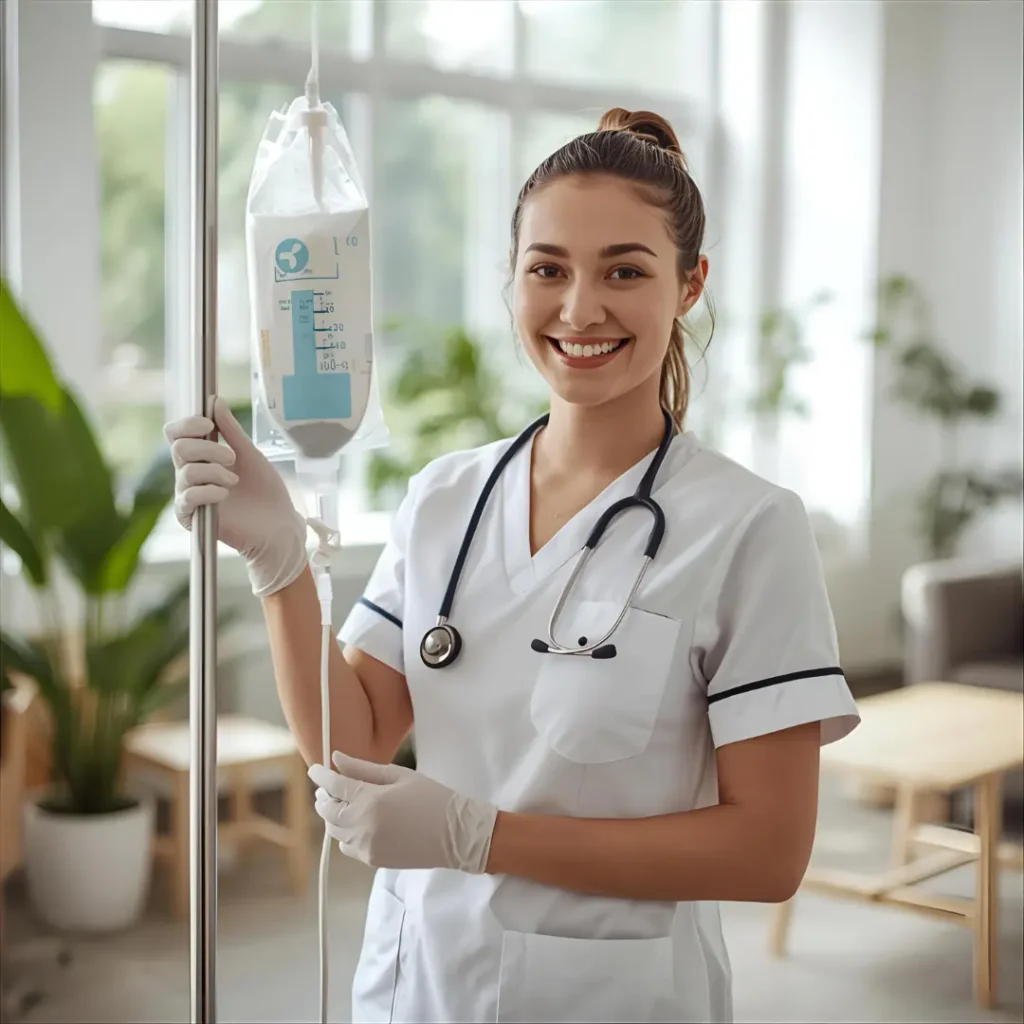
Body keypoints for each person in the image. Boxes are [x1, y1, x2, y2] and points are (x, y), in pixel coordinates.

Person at [166, 107, 860, 1023]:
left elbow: (767, 854)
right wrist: (279, 558)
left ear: (689, 285)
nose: (580, 309)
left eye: (625, 270)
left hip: (610, 999)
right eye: (548, 269)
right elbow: (355, 744)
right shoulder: (445, 497)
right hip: (418, 984)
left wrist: (479, 836)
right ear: (512, 277)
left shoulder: (747, 527)